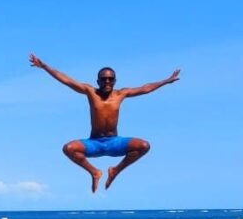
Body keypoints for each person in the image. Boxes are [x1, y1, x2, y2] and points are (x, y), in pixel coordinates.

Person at [29, 52, 180, 192]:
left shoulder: (121, 93)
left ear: (115, 81)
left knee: (144, 146)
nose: (107, 81)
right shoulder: (90, 91)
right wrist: (44, 66)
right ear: (98, 81)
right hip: (94, 143)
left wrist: (166, 81)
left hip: (115, 143)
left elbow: (145, 88)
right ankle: (94, 172)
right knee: (68, 148)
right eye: (103, 79)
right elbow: (67, 80)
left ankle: (115, 171)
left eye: (110, 79)